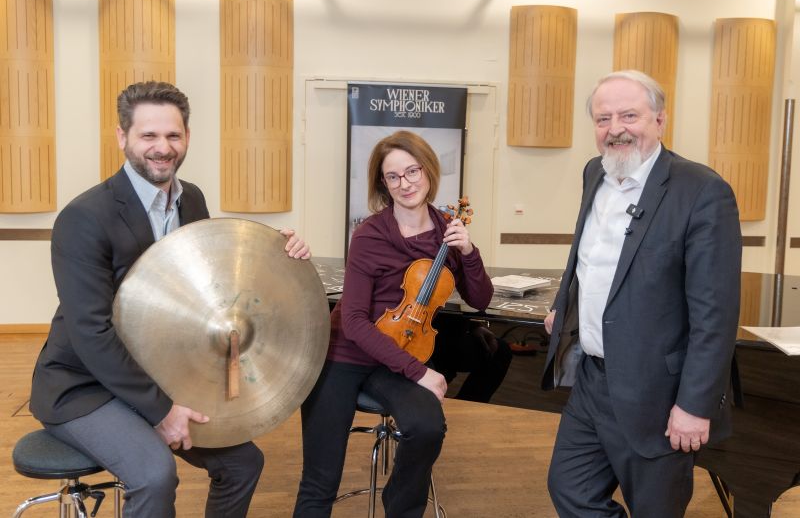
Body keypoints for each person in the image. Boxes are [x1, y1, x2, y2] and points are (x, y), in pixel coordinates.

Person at [29, 80, 310, 517]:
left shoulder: (191, 200)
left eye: (173, 135)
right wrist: (161, 411)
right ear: (123, 137)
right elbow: (91, 332)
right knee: (156, 475)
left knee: (243, 463)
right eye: (149, 135)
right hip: (84, 387)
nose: (162, 147)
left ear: (187, 138)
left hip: (161, 377)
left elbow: (211, 282)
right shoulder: (84, 218)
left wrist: (276, 251)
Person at [541, 70, 741, 517]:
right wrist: (565, 308)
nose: (615, 128)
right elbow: (589, 261)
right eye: (603, 118)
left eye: (629, 115)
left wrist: (694, 405)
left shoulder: (703, 191)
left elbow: (716, 314)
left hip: (658, 392)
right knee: (569, 490)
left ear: (660, 120)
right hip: (592, 381)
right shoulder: (595, 172)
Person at [293, 130, 494, 518]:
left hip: (398, 355)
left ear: (429, 171)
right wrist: (418, 372)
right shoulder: (369, 235)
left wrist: (467, 250)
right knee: (320, 479)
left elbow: (481, 299)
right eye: (393, 177)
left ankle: (400, 506)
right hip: (345, 356)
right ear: (382, 184)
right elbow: (352, 320)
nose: (406, 184)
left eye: (413, 171)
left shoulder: (447, 232)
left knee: (428, 427)